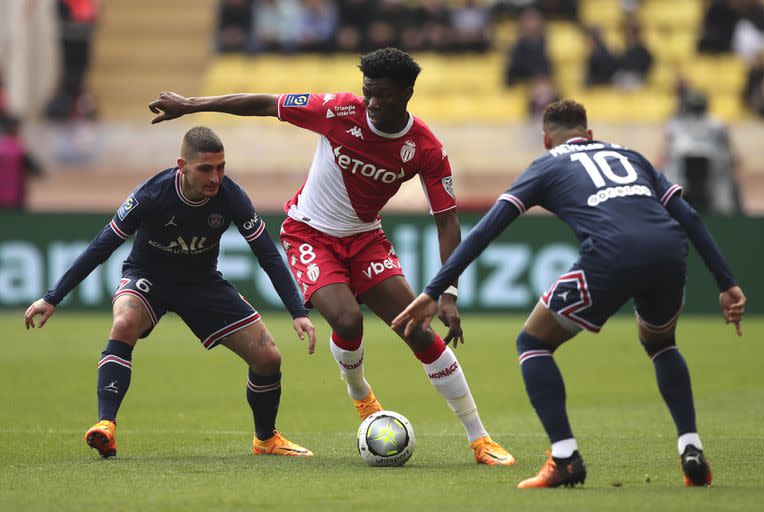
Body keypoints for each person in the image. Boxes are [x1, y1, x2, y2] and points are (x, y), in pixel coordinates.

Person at [148, 47, 514, 466]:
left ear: (408, 93)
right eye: (368, 93)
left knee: (417, 328)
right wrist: (192, 105)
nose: (372, 103)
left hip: (366, 240)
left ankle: (480, 438)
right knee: (347, 319)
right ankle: (360, 393)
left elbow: (447, 222)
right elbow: (267, 104)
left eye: (383, 96)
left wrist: (448, 291)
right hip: (309, 233)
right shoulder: (339, 110)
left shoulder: (426, 148)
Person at [392, 100, 746, 487]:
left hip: (611, 255)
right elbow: (689, 216)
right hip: (669, 251)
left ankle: (564, 458)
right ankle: (691, 447)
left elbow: (488, 228)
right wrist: (726, 282)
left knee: (533, 342)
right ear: (589, 134)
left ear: (546, 139)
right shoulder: (630, 156)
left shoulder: (546, 165)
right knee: (661, 343)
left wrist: (436, 288)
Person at [24, 126, 317, 459]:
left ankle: (265, 440)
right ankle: (106, 425)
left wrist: (298, 311)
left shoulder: (231, 196)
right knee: (124, 323)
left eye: (221, 167)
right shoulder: (151, 195)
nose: (215, 177)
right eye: (205, 168)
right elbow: (102, 245)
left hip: (202, 283)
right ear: (182, 166)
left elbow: (267, 254)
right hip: (148, 278)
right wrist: (52, 297)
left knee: (269, 358)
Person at [661, 90, 742, 215]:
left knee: (725, 182)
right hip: (681, 175)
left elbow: (729, 150)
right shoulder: (676, 125)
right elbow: (666, 151)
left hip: (713, 174)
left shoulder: (716, 124)